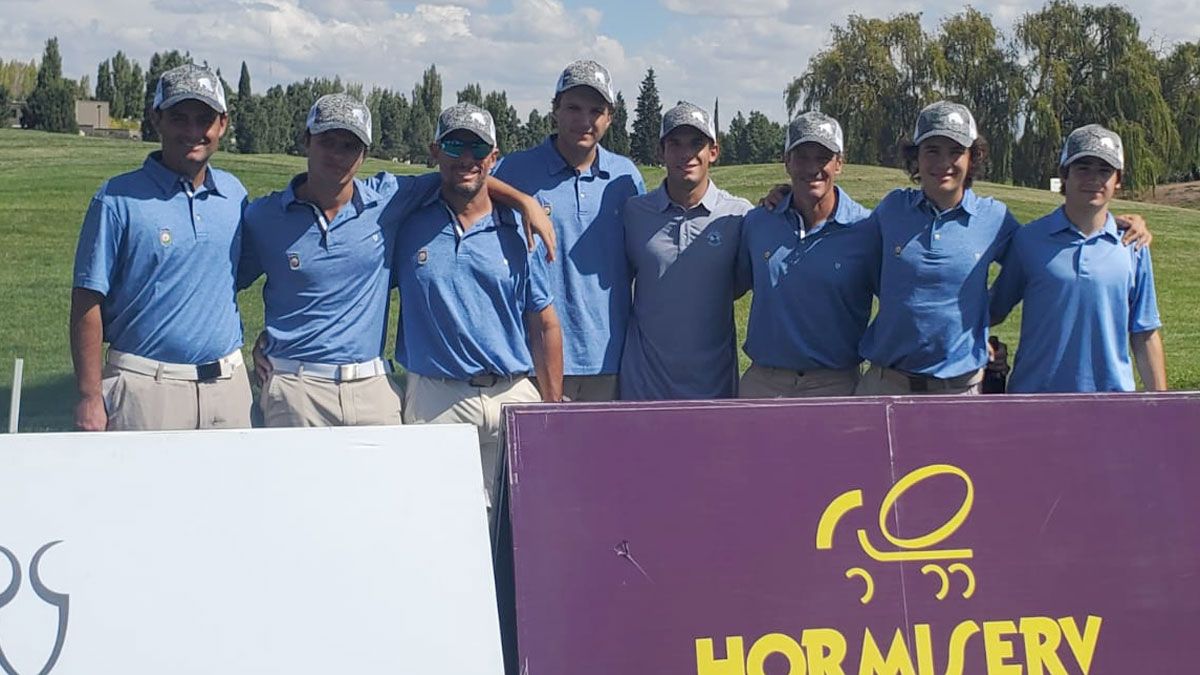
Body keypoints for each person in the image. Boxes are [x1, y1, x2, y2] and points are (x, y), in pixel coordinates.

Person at [240, 94, 555, 427]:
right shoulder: (264, 215)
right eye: (327, 141)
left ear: (364, 153)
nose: (337, 155)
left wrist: (523, 202)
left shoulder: (387, 200)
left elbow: (465, 177)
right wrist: (254, 341)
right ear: (306, 140)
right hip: (295, 385)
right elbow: (222, 281)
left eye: (350, 145)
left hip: (371, 386)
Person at [854, 101, 1152, 396]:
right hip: (885, 382)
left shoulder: (994, 218)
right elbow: (851, 250)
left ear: (973, 158)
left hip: (959, 387)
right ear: (915, 157)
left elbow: (1045, 257)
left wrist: (1118, 224)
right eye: (932, 150)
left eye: (956, 151)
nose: (943, 162)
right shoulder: (892, 208)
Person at [396, 103, 564, 505]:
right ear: (435, 151)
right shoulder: (406, 221)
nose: (466, 159)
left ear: (493, 156)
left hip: (511, 393)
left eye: (478, 148)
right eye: (454, 146)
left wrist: (552, 406)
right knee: (438, 521)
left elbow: (544, 324)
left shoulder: (517, 231)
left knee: (520, 527)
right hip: (437, 397)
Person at [70, 63, 252, 430]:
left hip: (228, 388)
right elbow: (87, 301)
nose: (192, 131)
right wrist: (90, 395)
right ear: (157, 119)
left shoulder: (235, 195)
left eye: (204, 119)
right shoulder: (116, 199)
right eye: (179, 118)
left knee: (235, 489)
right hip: (145, 388)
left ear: (222, 124)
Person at [493, 60, 645, 402]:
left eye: (596, 110)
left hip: (609, 356)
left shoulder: (625, 177)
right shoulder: (517, 169)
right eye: (573, 108)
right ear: (555, 111)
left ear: (610, 117)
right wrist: (522, 199)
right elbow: (467, 183)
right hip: (533, 356)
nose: (584, 120)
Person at [989, 124, 1167, 392]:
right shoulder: (1029, 240)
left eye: (1104, 170)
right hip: (1034, 398)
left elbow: (1144, 333)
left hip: (1111, 402)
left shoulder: (1132, 244)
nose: (1094, 178)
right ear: (1064, 175)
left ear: (1117, 180)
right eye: (1083, 167)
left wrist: (1161, 406)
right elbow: (993, 310)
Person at [738, 112, 876, 398]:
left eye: (823, 157)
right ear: (786, 161)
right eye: (802, 156)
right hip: (765, 382)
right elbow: (736, 284)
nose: (812, 168)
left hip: (836, 384)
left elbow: (897, 299)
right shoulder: (758, 222)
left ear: (839, 163)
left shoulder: (866, 228)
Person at [619, 102, 751, 400]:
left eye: (696, 143)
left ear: (713, 152)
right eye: (675, 143)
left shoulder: (739, 215)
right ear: (660, 152)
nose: (686, 154)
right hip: (644, 388)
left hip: (713, 388)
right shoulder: (634, 212)